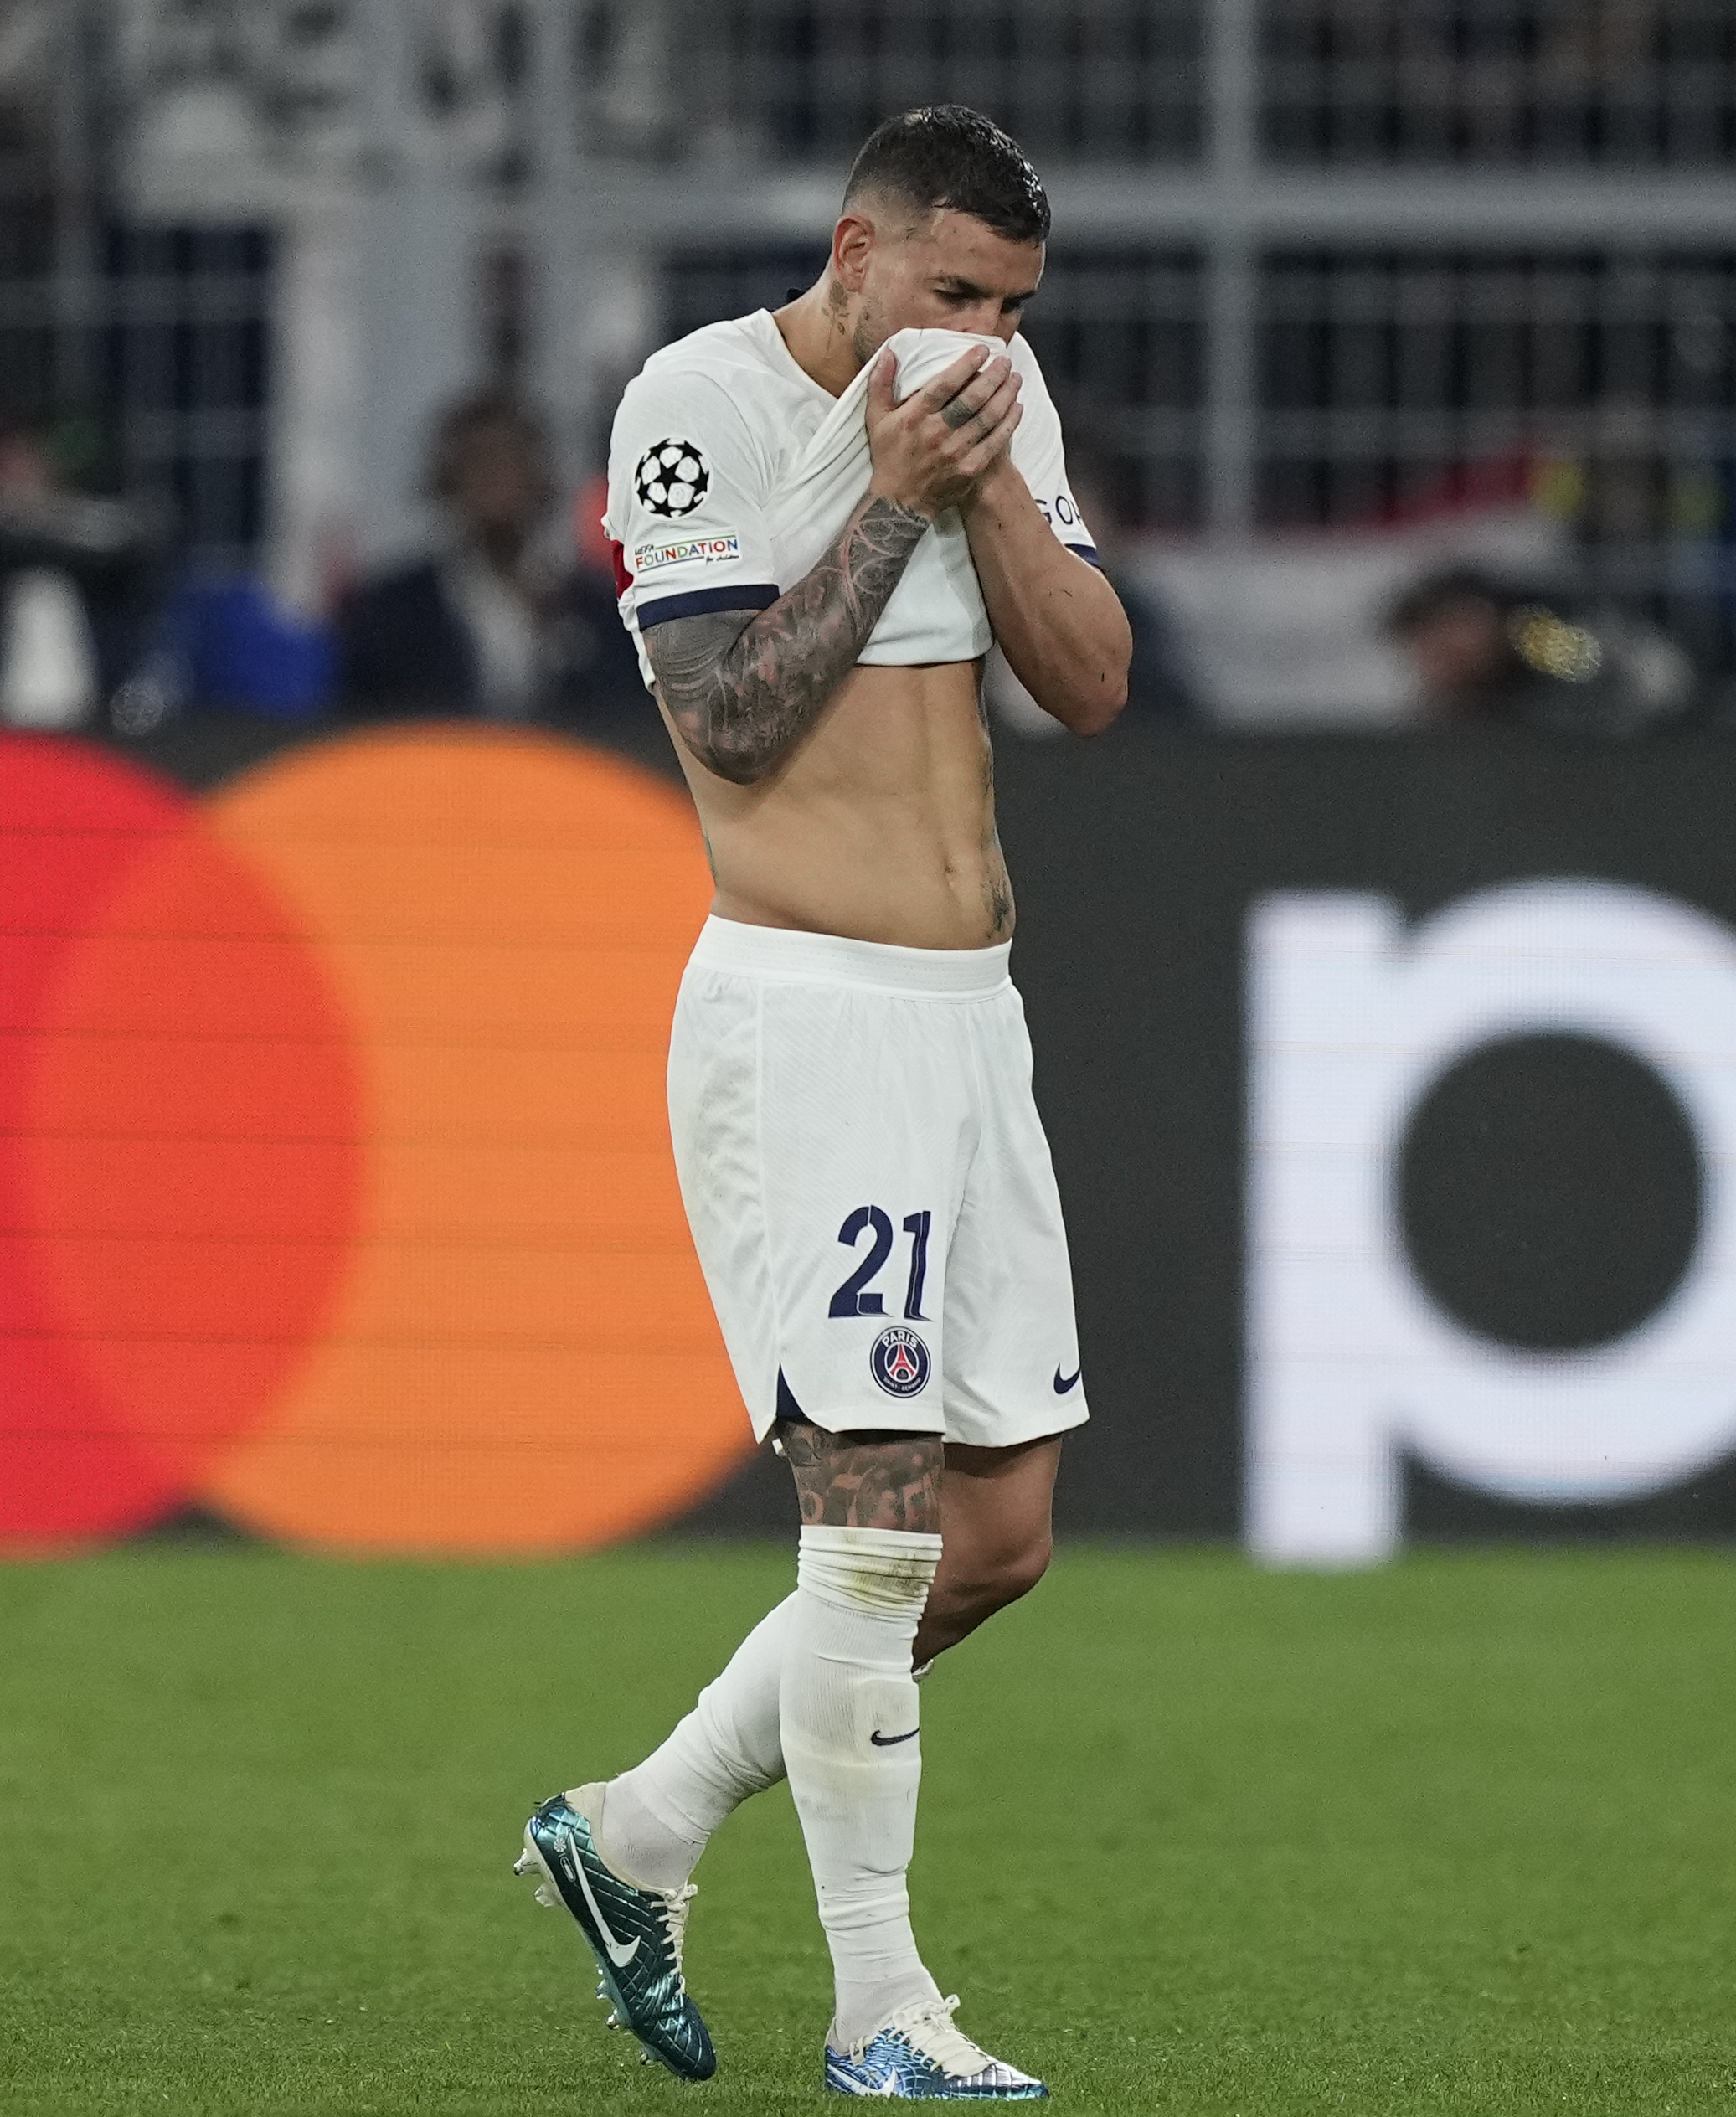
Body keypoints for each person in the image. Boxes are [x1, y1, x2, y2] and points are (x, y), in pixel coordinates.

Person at [511, 105, 1126, 2100]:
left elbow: (1096, 685)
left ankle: (636, 1831)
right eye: (950, 291)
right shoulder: (690, 406)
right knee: (867, 1525)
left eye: (1013, 306)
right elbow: (732, 729)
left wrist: (989, 491)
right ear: (852, 251)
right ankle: (879, 2005)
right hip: (807, 1012)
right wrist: (881, 500)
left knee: (994, 1539)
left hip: (968, 1020)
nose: (980, 333)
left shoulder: (987, 408)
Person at [333, 389, 641, 720]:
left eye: (509, 461)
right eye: (478, 462)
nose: (494, 480)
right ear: (447, 481)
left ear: (541, 479)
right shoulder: (392, 614)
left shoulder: (601, 614)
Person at [1385, 564, 1693, 734]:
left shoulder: (1535, 636)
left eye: (1454, 628)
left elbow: (1652, 680)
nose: (1448, 653)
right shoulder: (1445, 704)